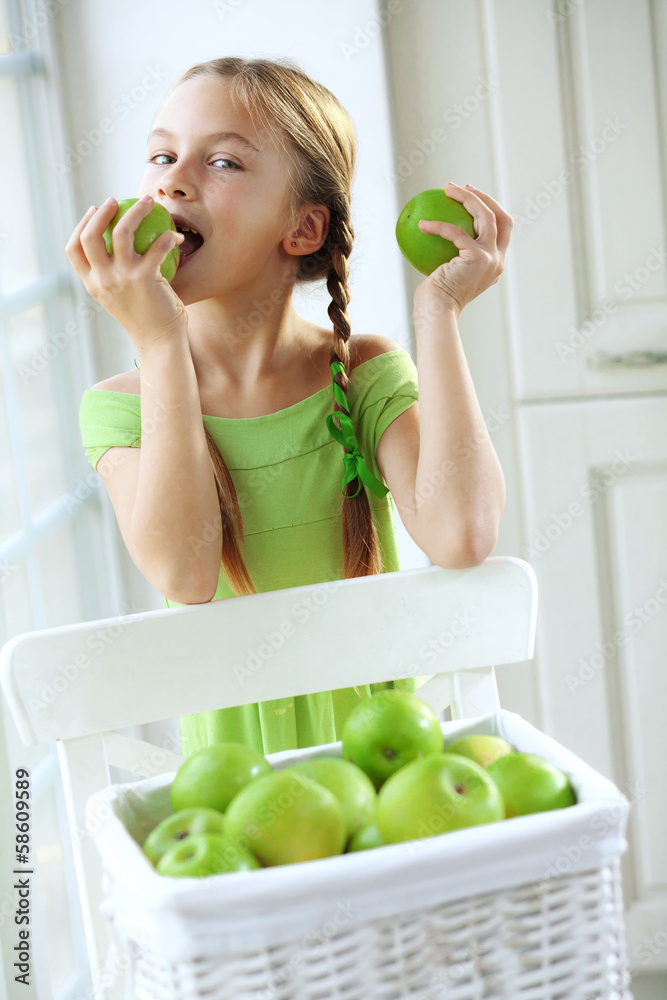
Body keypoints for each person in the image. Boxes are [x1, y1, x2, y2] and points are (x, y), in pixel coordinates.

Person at [70, 57, 511, 758]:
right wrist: (157, 342)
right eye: (162, 155)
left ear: (303, 230)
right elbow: (184, 574)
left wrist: (440, 311)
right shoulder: (118, 410)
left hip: (388, 768)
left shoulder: (360, 375)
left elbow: (461, 535)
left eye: (222, 162)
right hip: (235, 790)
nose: (173, 178)